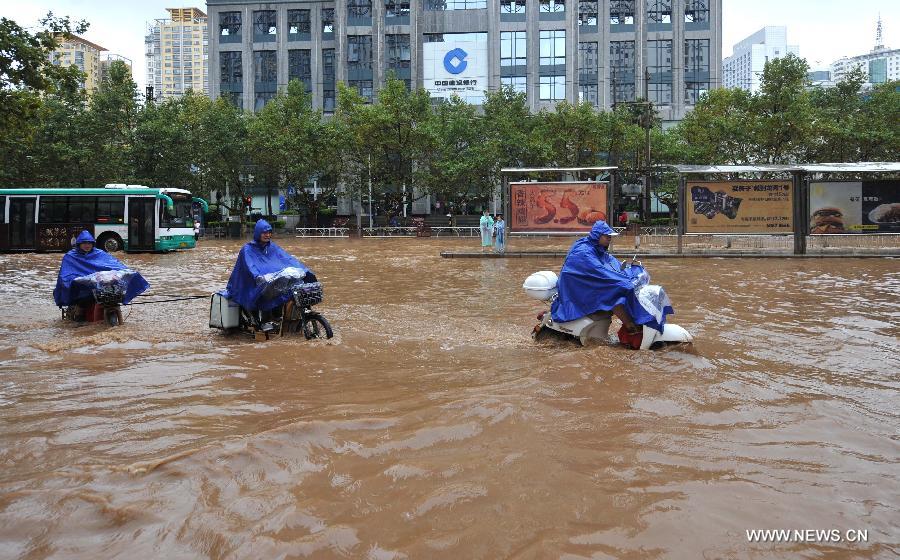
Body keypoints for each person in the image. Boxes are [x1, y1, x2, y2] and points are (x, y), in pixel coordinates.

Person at [551, 221, 672, 342]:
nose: (610, 239)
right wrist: (622, 281)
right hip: (576, 290)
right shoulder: (584, 252)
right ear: (598, 236)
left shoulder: (597, 247)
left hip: (587, 284)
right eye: (607, 236)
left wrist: (629, 271)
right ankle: (631, 328)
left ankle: (633, 324)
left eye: (610, 236)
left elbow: (610, 263)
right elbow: (600, 271)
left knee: (619, 288)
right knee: (615, 295)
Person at [223, 219, 316, 331]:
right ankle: (263, 322)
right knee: (265, 295)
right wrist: (258, 277)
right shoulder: (247, 249)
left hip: (271, 281)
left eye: (269, 232)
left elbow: (287, 259)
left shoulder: (272, 247)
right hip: (251, 283)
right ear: (258, 233)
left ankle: (280, 319)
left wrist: (303, 270)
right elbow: (250, 266)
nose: (267, 235)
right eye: (264, 233)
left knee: (288, 291)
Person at [53, 230, 149, 320]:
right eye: (84, 243)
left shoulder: (100, 253)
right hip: (82, 288)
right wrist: (73, 279)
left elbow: (114, 265)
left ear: (92, 243)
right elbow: (66, 274)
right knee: (82, 303)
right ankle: (78, 320)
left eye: (89, 243)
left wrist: (126, 271)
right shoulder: (71, 256)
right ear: (79, 244)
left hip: (101, 287)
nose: (87, 245)